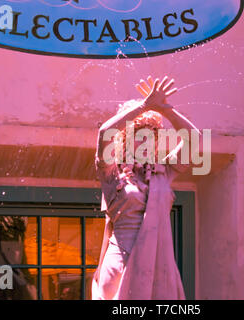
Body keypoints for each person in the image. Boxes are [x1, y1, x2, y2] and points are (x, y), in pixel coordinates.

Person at [91, 76, 201, 300]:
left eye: (152, 135)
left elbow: (195, 140)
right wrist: (143, 107)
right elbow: (104, 133)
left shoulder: (165, 171)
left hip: (159, 266)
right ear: (124, 139)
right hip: (121, 264)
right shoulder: (111, 173)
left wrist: (164, 109)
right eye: (139, 135)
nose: (147, 141)